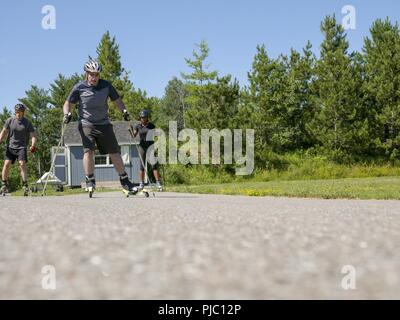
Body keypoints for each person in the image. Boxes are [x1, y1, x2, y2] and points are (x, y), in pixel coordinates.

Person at [63, 59, 138, 195]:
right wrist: (67, 114)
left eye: (96, 74)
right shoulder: (79, 87)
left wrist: (124, 111)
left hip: (103, 123)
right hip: (86, 123)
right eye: (91, 74)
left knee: (114, 152)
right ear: (86, 74)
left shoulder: (106, 86)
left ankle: (125, 181)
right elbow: (67, 103)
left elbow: (117, 101)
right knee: (89, 151)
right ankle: (90, 180)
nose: (94, 77)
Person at [0, 104, 37, 195]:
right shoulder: (10, 120)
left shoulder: (27, 122)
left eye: (19, 112)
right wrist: (0, 140)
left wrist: (33, 145)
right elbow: (4, 132)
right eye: (16, 112)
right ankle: (4, 184)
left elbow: (33, 136)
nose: (18, 114)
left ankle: (25, 185)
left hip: (21, 147)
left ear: (23, 112)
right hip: (10, 146)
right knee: (7, 163)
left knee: (22, 163)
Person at [132, 109, 162, 190]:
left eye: (144, 117)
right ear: (140, 118)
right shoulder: (137, 126)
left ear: (147, 117)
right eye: (141, 117)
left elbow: (155, 135)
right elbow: (134, 135)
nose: (143, 119)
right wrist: (131, 131)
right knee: (142, 166)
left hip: (150, 147)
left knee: (154, 165)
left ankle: (158, 183)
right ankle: (141, 183)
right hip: (142, 147)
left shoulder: (151, 126)